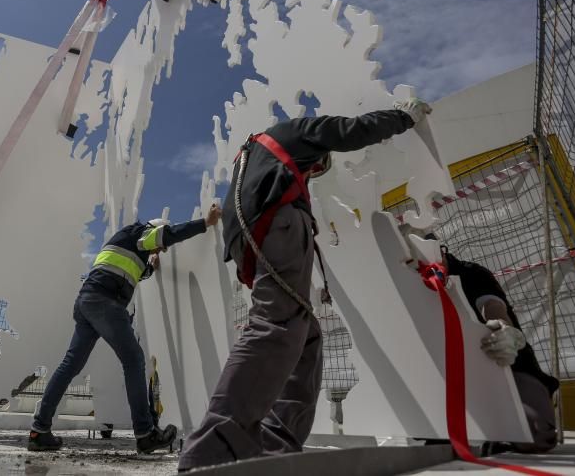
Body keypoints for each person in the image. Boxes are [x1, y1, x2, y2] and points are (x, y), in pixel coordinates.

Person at [178, 99, 431, 472]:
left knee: (306, 335)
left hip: (249, 235)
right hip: (275, 224)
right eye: (316, 165)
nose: (313, 171)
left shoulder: (252, 159)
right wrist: (403, 116)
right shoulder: (297, 133)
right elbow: (352, 131)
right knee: (275, 325)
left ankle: (276, 443)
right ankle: (214, 449)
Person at [29, 205, 223, 455]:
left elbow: (133, 270)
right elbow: (167, 235)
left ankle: (39, 431)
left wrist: (151, 265)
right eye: (157, 246)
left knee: (70, 365)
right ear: (154, 230)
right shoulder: (142, 231)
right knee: (134, 360)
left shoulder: (126, 240)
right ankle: (146, 434)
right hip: (106, 303)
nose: (158, 249)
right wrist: (204, 223)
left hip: (87, 301)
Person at [425, 233, 559, 453]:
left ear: (441, 250)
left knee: (534, 434)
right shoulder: (412, 283)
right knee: (439, 441)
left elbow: (492, 306)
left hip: (507, 367)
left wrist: (504, 329)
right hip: (454, 378)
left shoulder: (472, 273)